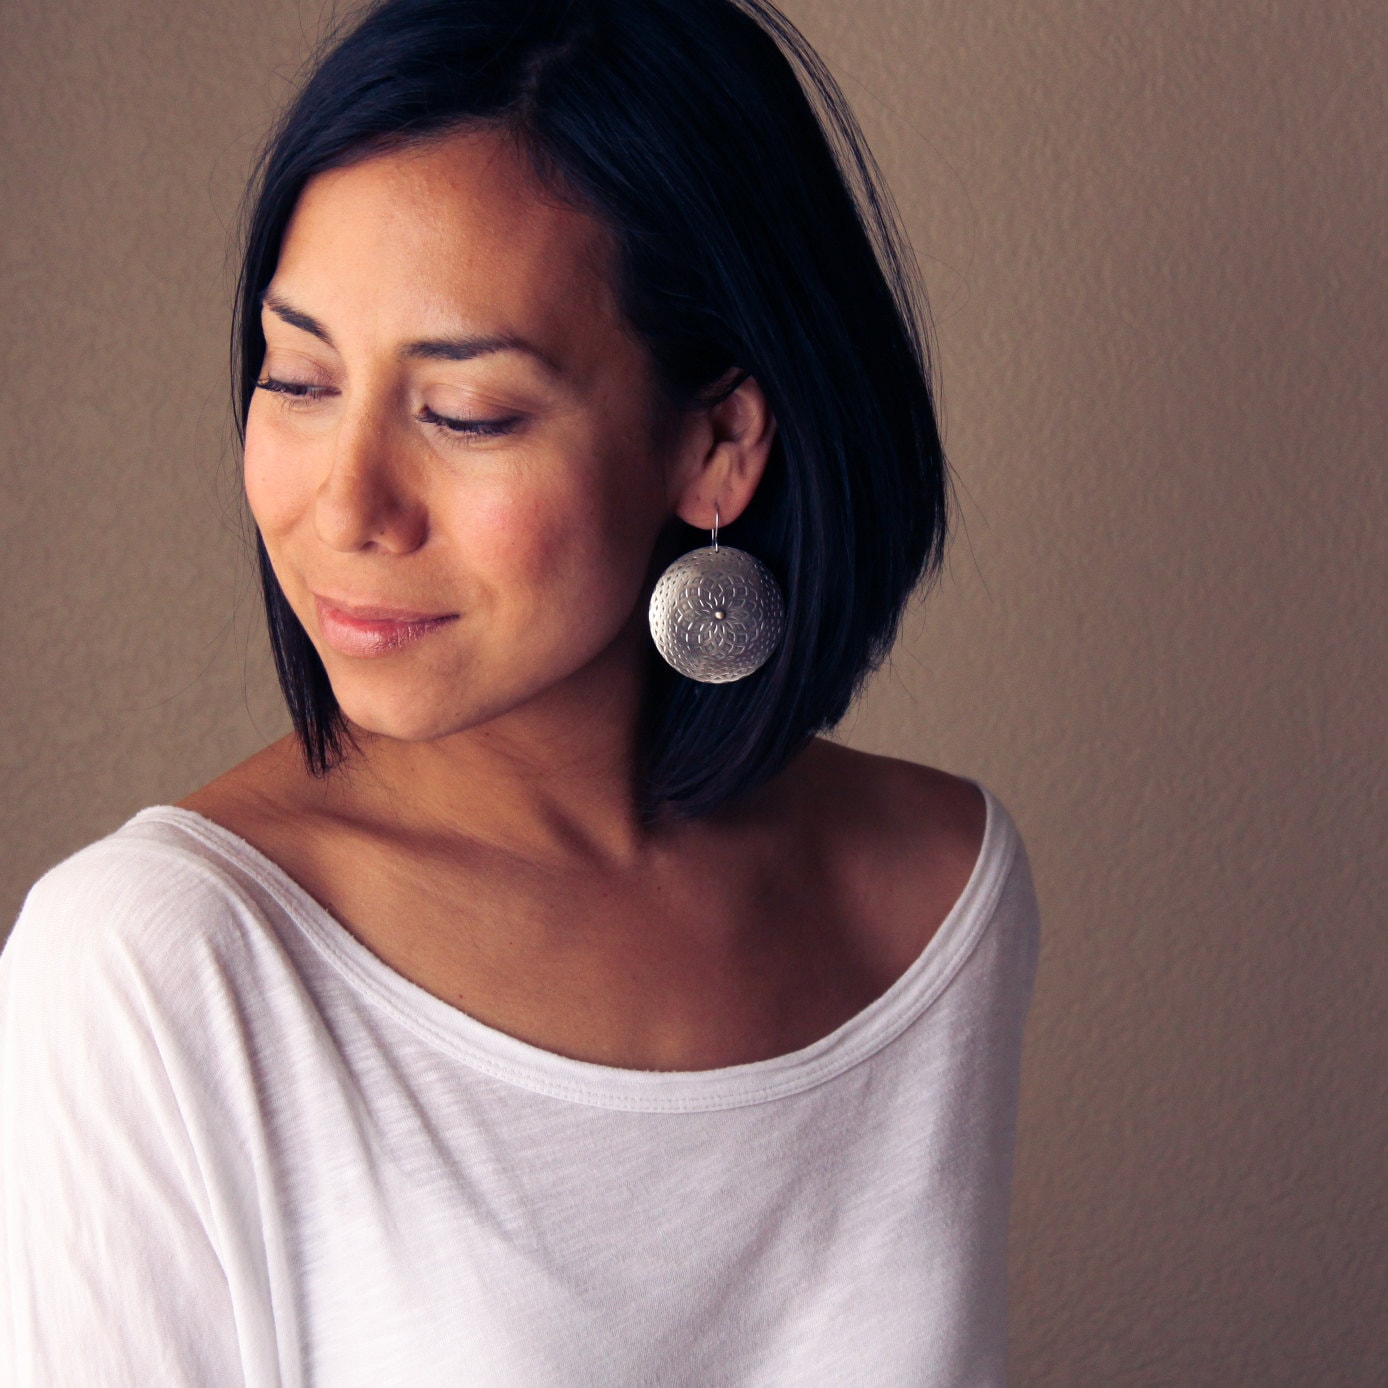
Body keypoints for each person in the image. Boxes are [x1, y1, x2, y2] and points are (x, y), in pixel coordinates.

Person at [0, 0, 1039, 1383]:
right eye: (300, 379)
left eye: (467, 412)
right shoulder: (153, 965)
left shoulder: (942, 899)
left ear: (720, 441)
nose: (344, 504)